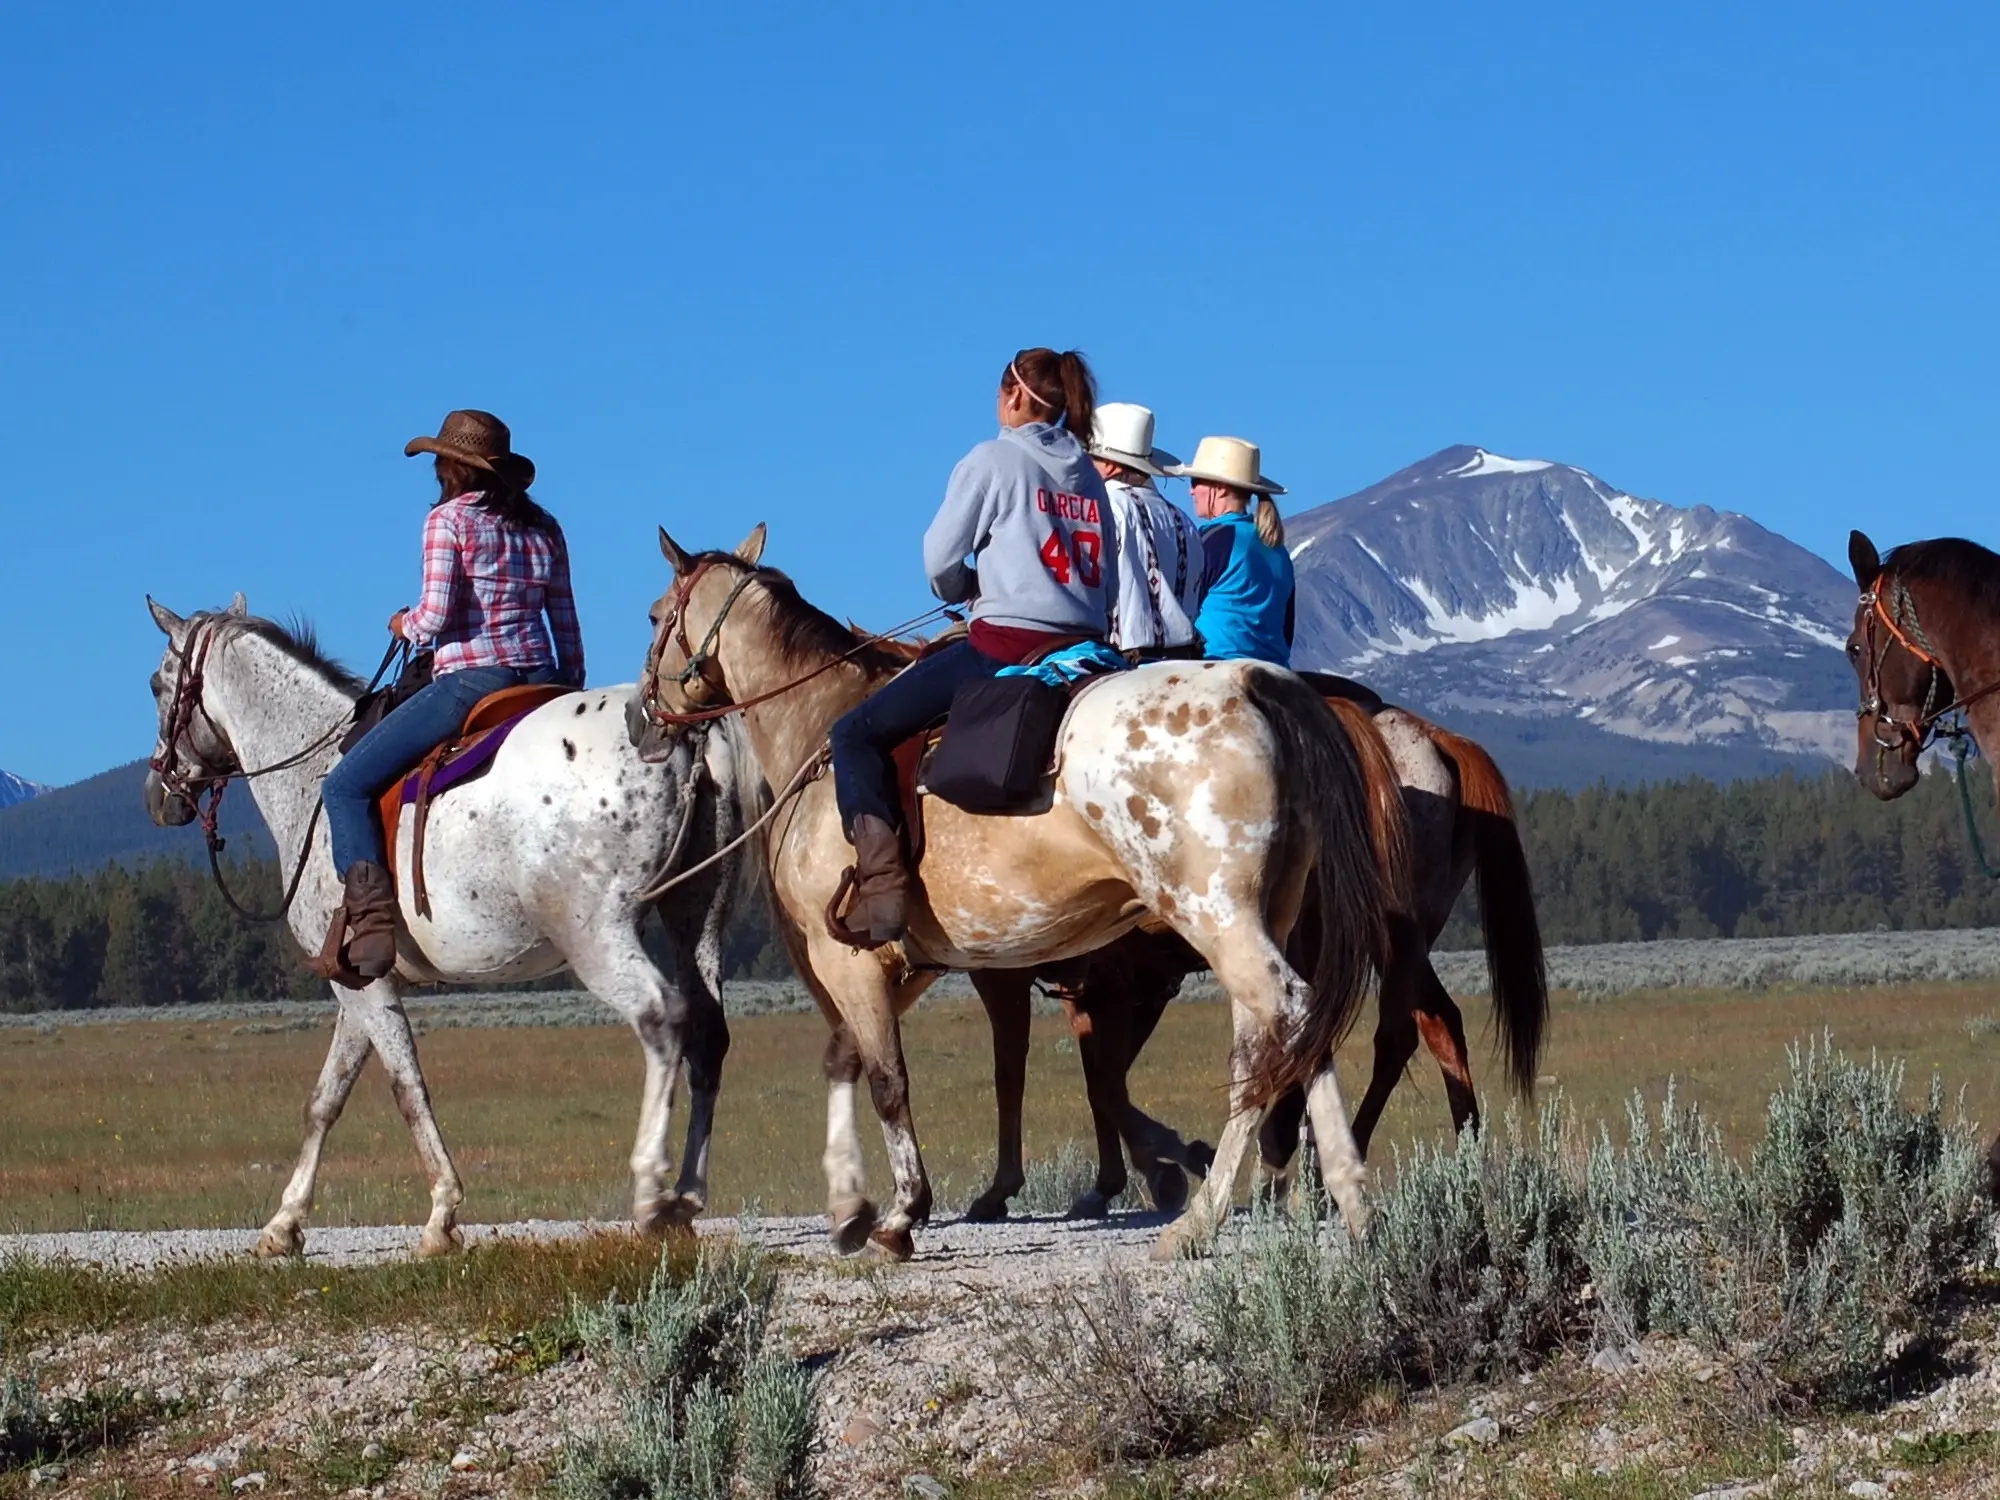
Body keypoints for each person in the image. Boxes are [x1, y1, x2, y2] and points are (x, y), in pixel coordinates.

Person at [829, 347, 1111, 946]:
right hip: (1085, 649)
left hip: (1005, 646)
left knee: (853, 733)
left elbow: (939, 561)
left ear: (1013, 396)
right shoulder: (1088, 473)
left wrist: (967, 588)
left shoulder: (994, 459)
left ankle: (882, 888)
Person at [317, 409, 585, 980]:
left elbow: (435, 618)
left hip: (473, 682)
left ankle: (369, 920)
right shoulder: (545, 528)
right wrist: (569, 690)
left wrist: (401, 625)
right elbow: (566, 622)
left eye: (441, 461)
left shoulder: (449, 520)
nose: (437, 470)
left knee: (343, 785)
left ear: (457, 468)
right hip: (543, 683)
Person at [1089, 403, 1204, 658]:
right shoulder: (1184, 521)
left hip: (1120, 659)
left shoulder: (1104, 510)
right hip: (1185, 658)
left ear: (1109, 464)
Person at [1176, 435, 1295, 668]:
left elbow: (1179, 611)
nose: (1191, 492)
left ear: (1219, 489)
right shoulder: (1278, 548)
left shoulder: (1211, 540)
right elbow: (1287, 628)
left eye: (1195, 482)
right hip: (1275, 667)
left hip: (1216, 663)